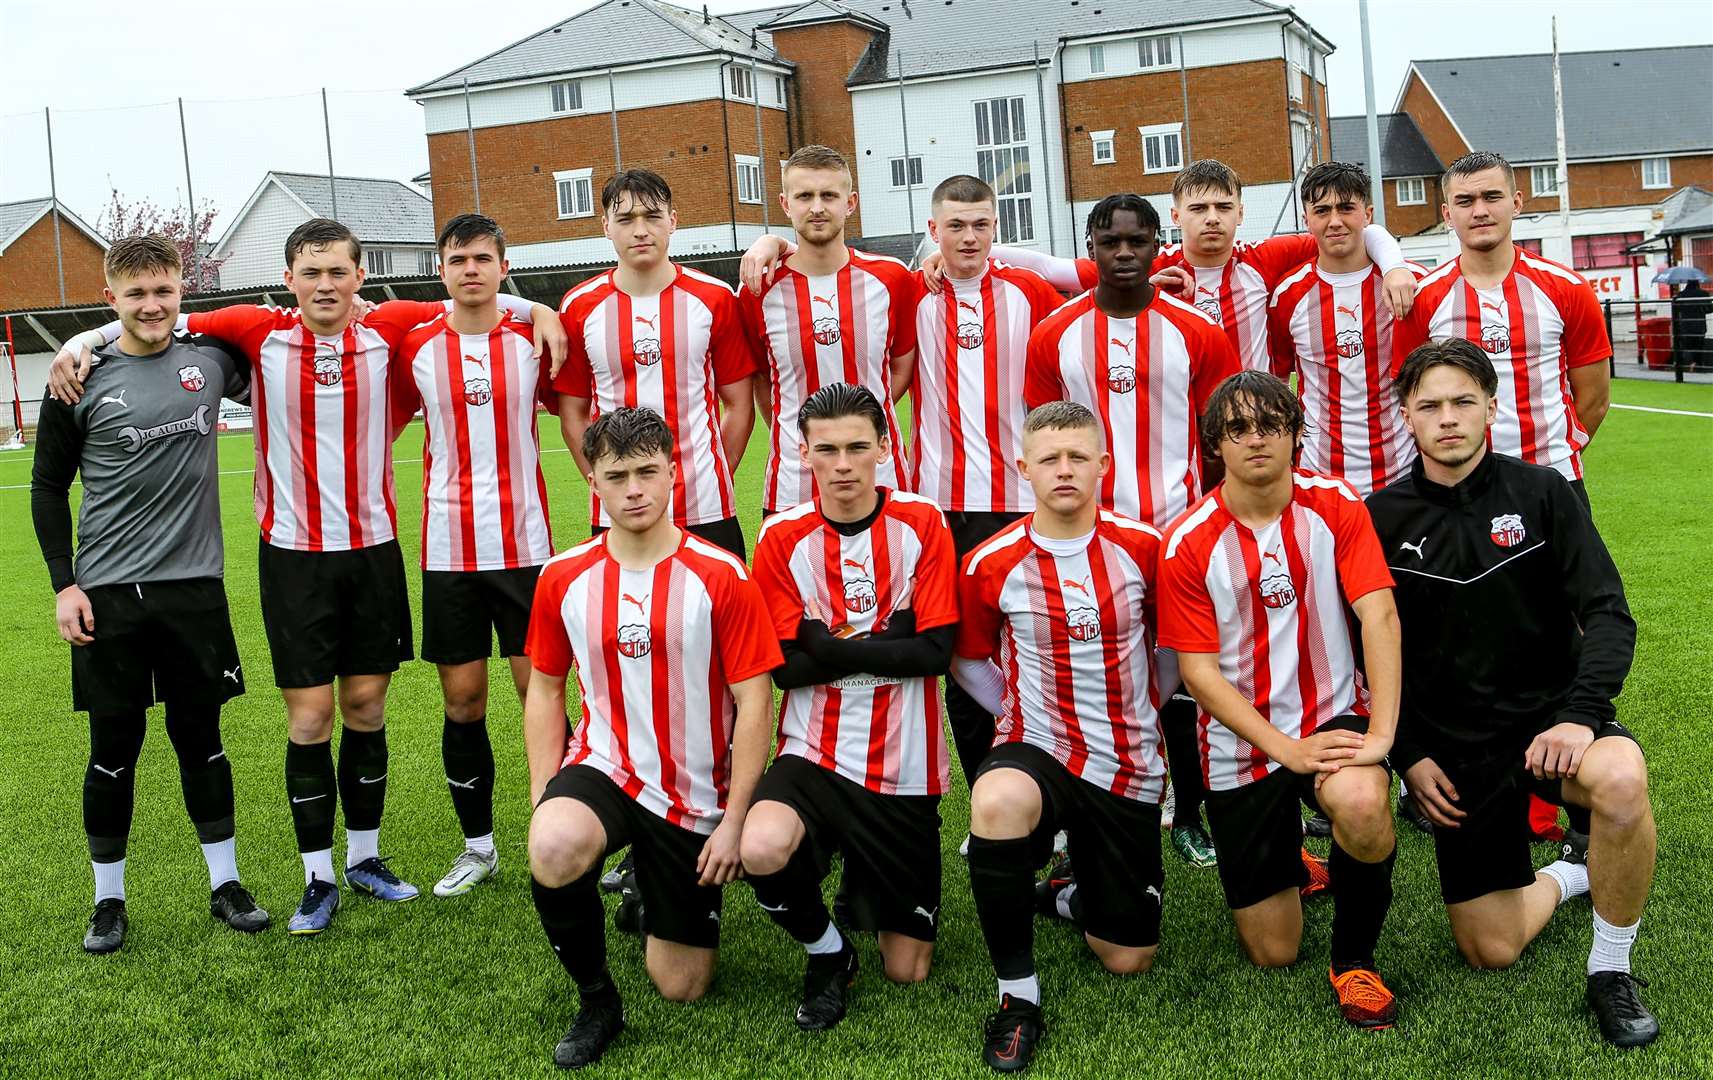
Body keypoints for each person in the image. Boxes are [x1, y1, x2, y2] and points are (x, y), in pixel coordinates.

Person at [48, 218, 566, 934]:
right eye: (310, 272)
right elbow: (161, 314)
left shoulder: (392, 329)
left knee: (365, 708)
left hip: (373, 551)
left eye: (338, 272)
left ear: (360, 280)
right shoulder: (258, 332)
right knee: (310, 718)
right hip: (291, 556)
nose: (325, 284)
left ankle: (366, 858)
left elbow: (471, 299)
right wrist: (82, 341)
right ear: (288, 279)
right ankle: (316, 878)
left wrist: (536, 306)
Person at [1367, 339, 1657, 1048]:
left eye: (1462, 401)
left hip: (1547, 728)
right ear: (1405, 416)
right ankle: (1569, 872)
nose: (1447, 418)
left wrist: (1578, 718)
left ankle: (1610, 972)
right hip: (1456, 754)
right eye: (1428, 405)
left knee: (1620, 781)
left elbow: (1609, 615)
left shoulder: (1541, 492)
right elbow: (1361, 660)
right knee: (1489, 950)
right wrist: (1406, 754)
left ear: (1491, 408)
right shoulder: (1379, 518)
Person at [31, 235, 270, 952]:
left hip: (194, 590)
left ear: (180, 291)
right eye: (134, 294)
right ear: (112, 298)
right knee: (114, 748)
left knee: (203, 742)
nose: (152, 304)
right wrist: (64, 584)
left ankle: (224, 884)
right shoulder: (77, 380)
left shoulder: (211, 362)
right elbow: (47, 488)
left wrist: (91, 330)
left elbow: (268, 330)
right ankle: (108, 902)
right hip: (108, 594)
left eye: (163, 290)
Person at [523, 407, 780, 1069]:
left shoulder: (721, 575)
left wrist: (735, 820)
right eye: (617, 475)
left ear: (673, 471)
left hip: (692, 792)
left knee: (683, 987)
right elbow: (547, 689)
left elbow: (755, 701)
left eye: (646, 471)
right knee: (553, 844)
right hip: (605, 765)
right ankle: (597, 1000)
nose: (634, 488)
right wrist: (542, 791)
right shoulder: (563, 576)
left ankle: (649, 896)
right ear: (594, 484)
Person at [1158, 371, 1403, 1029]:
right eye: (1236, 429)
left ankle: (1353, 962)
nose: (1254, 439)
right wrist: (1286, 751)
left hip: (1330, 713)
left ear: (1295, 434)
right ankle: (1295, 860)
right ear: (1214, 446)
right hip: (1242, 738)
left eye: (1270, 424)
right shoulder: (1187, 542)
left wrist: (1379, 737)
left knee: (1360, 802)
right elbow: (1199, 675)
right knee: (1272, 951)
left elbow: (1377, 615)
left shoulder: (1335, 505)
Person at [953, 401, 1170, 1073]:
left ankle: (1063, 894)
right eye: (1049, 458)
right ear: (1023, 469)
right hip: (1036, 749)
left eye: (1078, 456)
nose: (1064, 469)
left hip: (1126, 762)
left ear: (1103, 465)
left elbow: (1171, 649)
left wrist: (1141, 708)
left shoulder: (1144, 548)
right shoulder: (991, 562)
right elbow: (966, 658)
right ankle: (1017, 998)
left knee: (1127, 957)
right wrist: (1015, 712)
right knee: (995, 803)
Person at [1023, 193, 1239, 868]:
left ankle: (1189, 813)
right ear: (1088, 245)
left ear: (1156, 245)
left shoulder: (1195, 331)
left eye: (1136, 241)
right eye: (1109, 241)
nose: (1123, 253)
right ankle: (1079, 811)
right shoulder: (1053, 334)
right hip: (1089, 538)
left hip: (1177, 535)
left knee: (1187, 678)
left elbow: (1220, 437)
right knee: (1088, 670)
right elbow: (1045, 442)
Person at [743, 382, 958, 1030]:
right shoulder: (781, 537)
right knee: (760, 848)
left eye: (857, 447)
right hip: (814, 753)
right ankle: (827, 954)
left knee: (909, 967)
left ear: (883, 447)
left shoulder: (922, 523)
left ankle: (862, 882)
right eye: (827, 449)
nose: (842, 464)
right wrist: (890, 635)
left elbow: (936, 653)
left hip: (904, 764)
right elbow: (785, 672)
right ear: (803, 452)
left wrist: (822, 638)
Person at [390, 213, 559, 897]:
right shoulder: (415, 345)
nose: (469, 270)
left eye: (482, 259)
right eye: (457, 259)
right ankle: (478, 847)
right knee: (462, 703)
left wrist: (538, 306)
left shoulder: (531, 338)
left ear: (501, 264)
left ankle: (563, 830)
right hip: (448, 550)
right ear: (441, 269)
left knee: (539, 693)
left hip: (526, 548)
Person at [939, 158, 1417, 371]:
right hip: (1181, 423)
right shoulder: (1143, 267)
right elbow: (1051, 267)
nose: (1212, 219)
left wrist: (1393, 263)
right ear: (1175, 215)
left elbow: (1351, 230)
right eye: (1198, 209)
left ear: (1240, 213)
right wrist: (948, 249)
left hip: (1256, 422)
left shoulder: (1265, 259)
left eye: (1223, 208)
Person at [554, 169, 757, 558]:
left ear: (673, 221)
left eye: (652, 216)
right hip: (617, 510)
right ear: (606, 227)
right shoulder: (579, 307)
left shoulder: (714, 299)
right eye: (626, 219)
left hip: (705, 503)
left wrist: (713, 477)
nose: (640, 230)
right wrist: (607, 484)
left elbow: (740, 405)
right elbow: (572, 415)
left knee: (716, 614)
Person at [1393, 151, 1612, 505]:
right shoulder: (1424, 299)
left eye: (1492, 197)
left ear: (1516, 202)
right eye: (1465, 201)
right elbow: (1410, 394)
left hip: (1554, 479)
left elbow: (1596, 399)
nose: (1480, 210)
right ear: (1448, 214)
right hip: (1459, 484)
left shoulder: (1568, 289)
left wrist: (1553, 456)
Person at [736, 144, 918, 514]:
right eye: (805, 196)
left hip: (881, 477)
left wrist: (860, 421)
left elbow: (901, 367)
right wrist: (805, 430)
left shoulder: (891, 279)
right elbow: (763, 382)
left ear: (850, 202)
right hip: (792, 482)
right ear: (786, 205)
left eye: (828, 195)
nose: (816, 207)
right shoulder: (759, 289)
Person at [1671, 278, 1709, 372]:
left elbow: (1677, 310)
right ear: (1697, 283)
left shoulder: (1681, 295)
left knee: (1688, 345)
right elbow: (1709, 309)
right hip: (1699, 325)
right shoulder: (1704, 294)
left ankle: (1691, 363)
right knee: (1699, 345)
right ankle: (1698, 364)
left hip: (1686, 325)